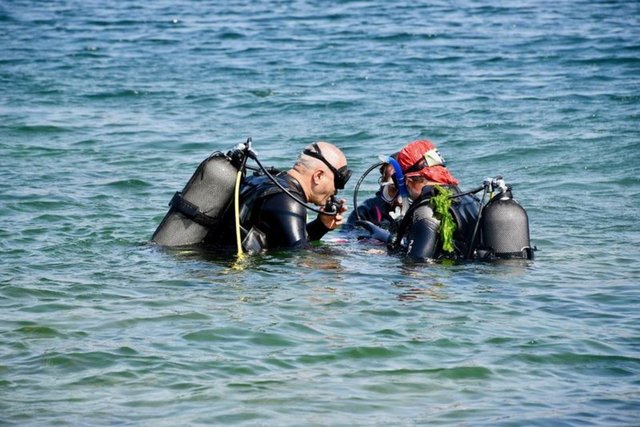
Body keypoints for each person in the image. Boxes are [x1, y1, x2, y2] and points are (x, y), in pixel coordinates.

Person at [213, 141, 351, 252]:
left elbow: (286, 243)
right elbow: (299, 255)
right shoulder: (288, 200)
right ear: (318, 176)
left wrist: (321, 226)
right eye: (338, 182)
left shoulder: (266, 180)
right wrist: (350, 254)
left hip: (214, 261)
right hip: (225, 271)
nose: (337, 190)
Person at [356, 139, 481, 262]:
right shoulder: (470, 200)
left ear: (408, 180)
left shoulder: (426, 211)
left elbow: (417, 266)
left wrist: (386, 255)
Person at [346, 154, 403, 230]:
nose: (399, 199)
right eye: (392, 190)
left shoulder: (418, 210)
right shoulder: (365, 212)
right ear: (382, 183)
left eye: (406, 191)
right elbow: (348, 234)